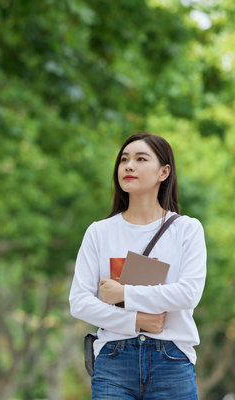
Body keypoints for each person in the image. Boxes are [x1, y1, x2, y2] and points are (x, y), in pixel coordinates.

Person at [69, 132, 207, 399]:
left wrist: (124, 294)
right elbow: (79, 302)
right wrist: (135, 320)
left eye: (141, 159)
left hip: (172, 360)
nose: (129, 166)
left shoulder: (187, 230)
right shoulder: (100, 232)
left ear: (163, 172)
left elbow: (189, 293)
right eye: (124, 159)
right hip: (114, 361)